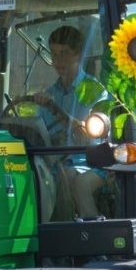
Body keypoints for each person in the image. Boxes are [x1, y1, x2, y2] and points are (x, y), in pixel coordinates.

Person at [32, 25, 109, 218]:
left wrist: (57, 111)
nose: (58, 60)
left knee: (68, 177)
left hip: (91, 161)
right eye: (55, 54)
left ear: (79, 55)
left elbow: (88, 136)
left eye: (65, 53)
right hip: (55, 162)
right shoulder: (50, 94)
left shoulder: (95, 91)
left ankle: (84, 236)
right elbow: (37, 133)